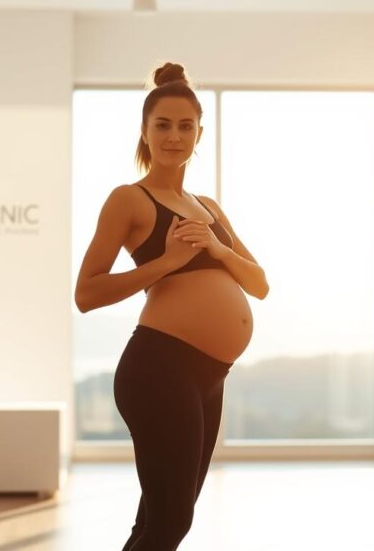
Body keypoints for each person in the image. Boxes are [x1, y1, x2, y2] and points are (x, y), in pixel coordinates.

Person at [74, 62, 269, 550]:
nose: (174, 136)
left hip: (210, 376)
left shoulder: (209, 208)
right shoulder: (130, 199)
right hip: (159, 369)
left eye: (186, 126)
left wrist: (217, 249)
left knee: (162, 519)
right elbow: (87, 293)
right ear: (144, 130)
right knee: (170, 520)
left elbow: (259, 284)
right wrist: (167, 261)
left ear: (200, 133)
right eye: (162, 125)